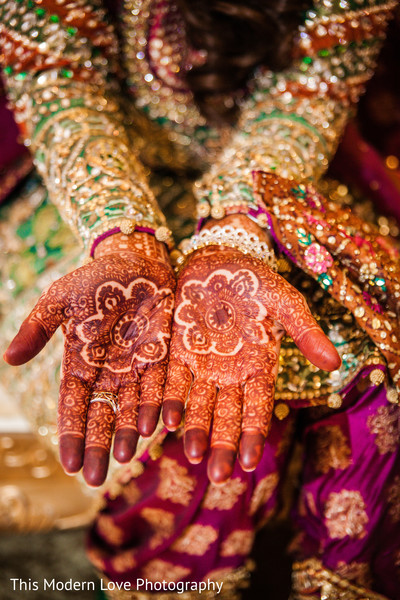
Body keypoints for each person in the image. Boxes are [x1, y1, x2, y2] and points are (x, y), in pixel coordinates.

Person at [1, 0, 400, 598]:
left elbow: (305, 96)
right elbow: (57, 79)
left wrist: (237, 235)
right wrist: (120, 235)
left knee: (370, 356)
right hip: (96, 193)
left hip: (276, 187)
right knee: (174, 387)